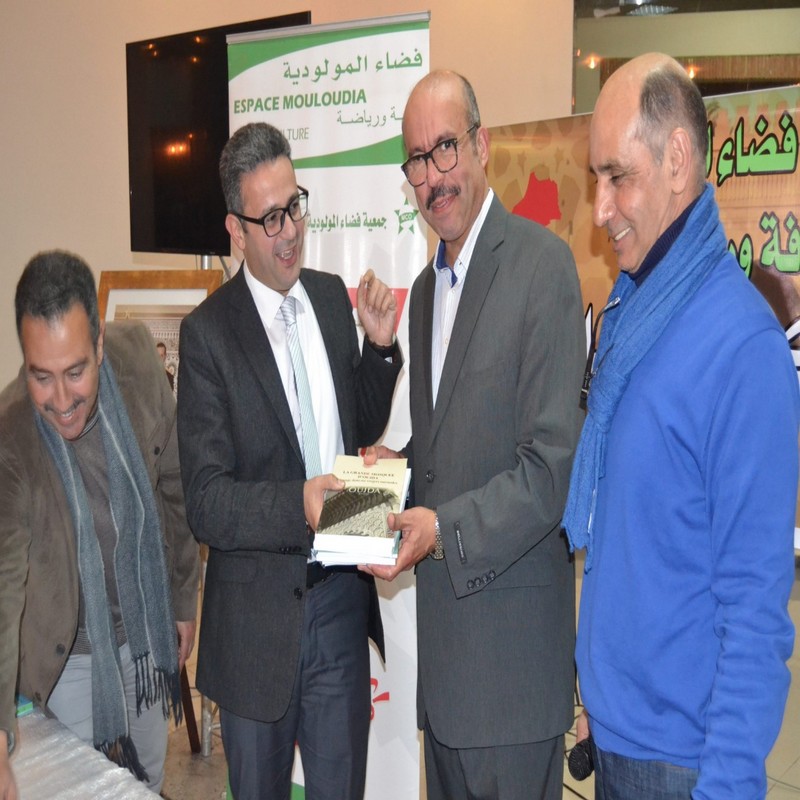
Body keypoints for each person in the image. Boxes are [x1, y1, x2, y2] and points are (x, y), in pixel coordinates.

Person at [564, 53, 800, 799]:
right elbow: (635, 538)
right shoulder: (634, 315)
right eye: (595, 180)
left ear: (676, 159)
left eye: (617, 177)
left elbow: (755, 615)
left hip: (683, 765)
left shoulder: (744, 348)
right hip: (617, 737)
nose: (600, 209)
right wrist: (601, 697)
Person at [362, 71, 585, 799]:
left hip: (511, 675)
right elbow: (448, 450)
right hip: (448, 680)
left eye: (446, 148)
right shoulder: (427, 291)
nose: (433, 176)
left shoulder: (542, 266)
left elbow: (550, 470)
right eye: (416, 160)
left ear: (482, 145)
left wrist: (440, 531)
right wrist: (390, 473)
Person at [177, 122, 402, 800]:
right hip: (254, 631)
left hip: (338, 604)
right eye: (269, 218)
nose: (290, 231)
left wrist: (380, 350)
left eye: (294, 206)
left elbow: (355, 431)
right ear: (236, 230)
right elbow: (207, 501)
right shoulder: (207, 335)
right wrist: (298, 503)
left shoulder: (330, 298)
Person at [0, 250, 199, 799]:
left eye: (76, 372)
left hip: (145, 633)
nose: (62, 400)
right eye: (42, 377)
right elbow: (3, 584)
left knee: (146, 783)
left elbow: (175, 482)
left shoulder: (138, 361)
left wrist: (183, 598)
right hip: (69, 654)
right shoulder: (11, 433)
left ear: (101, 346)